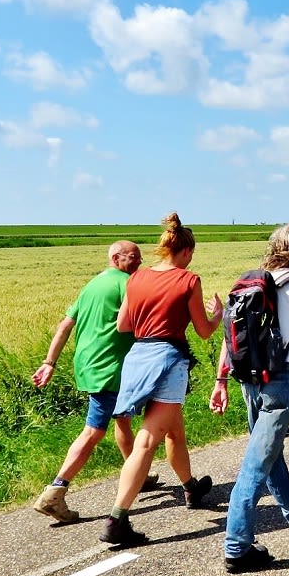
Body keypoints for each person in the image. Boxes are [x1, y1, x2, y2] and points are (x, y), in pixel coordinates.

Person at [210, 223, 289, 573]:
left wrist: (220, 381)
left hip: (248, 380)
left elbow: (229, 338)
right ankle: (237, 546)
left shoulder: (249, 283)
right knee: (255, 465)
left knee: (269, 449)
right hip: (279, 381)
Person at [99, 213, 223, 547]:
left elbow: (123, 326)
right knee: (148, 440)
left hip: (137, 358)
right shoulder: (188, 280)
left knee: (174, 430)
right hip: (169, 359)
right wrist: (218, 315)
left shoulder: (135, 278)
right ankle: (117, 519)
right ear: (185, 252)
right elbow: (203, 331)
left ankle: (190, 487)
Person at [30, 241, 161, 522]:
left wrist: (49, 362)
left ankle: (137, 472)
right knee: (94, 431)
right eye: (133, 257)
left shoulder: (93, 284)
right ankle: (55, 490)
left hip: (89, 365)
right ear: (116, 258)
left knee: (122, 419)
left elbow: (65, 325)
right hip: (110, 367)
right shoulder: (127, 284)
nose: (139, 262)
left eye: (139, 257)